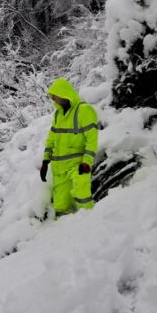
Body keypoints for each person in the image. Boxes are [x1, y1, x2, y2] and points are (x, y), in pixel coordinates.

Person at [39, 77, 98, 217]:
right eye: (51, 96)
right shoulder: (58, 115)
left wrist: (86, 162)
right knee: (61, 206)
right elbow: (51, 138)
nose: (53, 99)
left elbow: (92, 140)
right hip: (59, 168)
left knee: (82, 193)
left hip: (77, 165)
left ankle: (92, 221)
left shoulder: (84, 111)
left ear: (64, 93)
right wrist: (45, 161)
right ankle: (64, 235)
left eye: (55, 95)